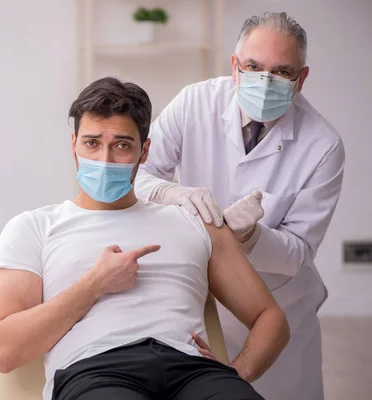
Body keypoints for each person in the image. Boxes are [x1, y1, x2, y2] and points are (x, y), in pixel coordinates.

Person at [0, 77, 290, 400]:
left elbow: (270, 318)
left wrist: (236, 373)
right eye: (91, 143)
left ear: (144, 152)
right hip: (96, 371)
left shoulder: (194, 222)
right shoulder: (34, 227)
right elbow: (3, 350)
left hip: (192, 371)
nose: (104, 159)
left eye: (121, 145)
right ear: (73, 144)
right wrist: (95, 284)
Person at [134, 11, 345, 400]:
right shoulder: (194, 102)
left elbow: (298, 251)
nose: (265, 82)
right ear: (235, 67)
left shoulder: (323, 145)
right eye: (254, 66)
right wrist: (171, 193)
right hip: (198, 294)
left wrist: (251, 236)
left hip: (278, 303)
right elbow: (137, 175)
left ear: (301, 79)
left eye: (282, 71)